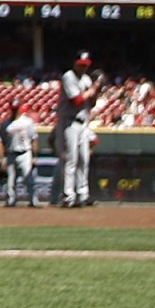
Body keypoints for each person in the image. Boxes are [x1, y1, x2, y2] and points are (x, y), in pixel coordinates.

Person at [57, 51, 100, 207]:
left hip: (83, 123)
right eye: (81, 65)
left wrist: (97, 90)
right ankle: (68, 196)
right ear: (75, 63)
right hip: (69, 122)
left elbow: (91, 104)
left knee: (84, 159)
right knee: (71, 160)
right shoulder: (68, 76)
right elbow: (76, 100)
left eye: (85, 65)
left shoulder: (86, 79)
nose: (83, 68)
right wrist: (91, 90)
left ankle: (83, 195)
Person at [2, 104, 40, 207]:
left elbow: (34, 139)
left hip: (25, 153)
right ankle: (11, 201)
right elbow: (2, 142)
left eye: (16, 109)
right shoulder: (6, 124)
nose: (15, 111)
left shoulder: (27, 121)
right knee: (10, 181)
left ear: (20, 108)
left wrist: (34, 155)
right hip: (11, 154)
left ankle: (33, 200)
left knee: (29, 179)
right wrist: (3, 157)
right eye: (13, 109)